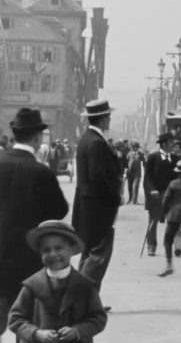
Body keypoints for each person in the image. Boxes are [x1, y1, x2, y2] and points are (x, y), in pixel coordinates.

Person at [0, 108, 69, 342]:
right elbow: (60, 210)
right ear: (37, 137)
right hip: (31, 257)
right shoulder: (41, 172)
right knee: (29, 314)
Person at [8, 220, 107, 343]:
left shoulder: (85, 286)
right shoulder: (31, 285)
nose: (53, 254)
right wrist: (36, 333)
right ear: (40, 253)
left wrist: (78, 331)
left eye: (59, 248)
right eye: (46, 250)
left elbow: (99, 318)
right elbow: (15, 319)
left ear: (71, 249)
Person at [71, 99, 122, 310]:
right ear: (102, 118)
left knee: (88, 253)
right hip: (98, 208)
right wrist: (115, 196)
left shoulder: (87, 139)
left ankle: (84, 300)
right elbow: (98, 177)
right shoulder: (97, 143)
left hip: (87, 206)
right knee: (98, 256)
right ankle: (80, 301)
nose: (109, 119)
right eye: (108, 116)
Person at [143, 132, 178, 256]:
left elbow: (178, 176)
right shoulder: (153, 157)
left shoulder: (175, 158)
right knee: (153, 221)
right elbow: (148, 177)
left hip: (171, 195)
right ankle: (151, 245)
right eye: (170, 143)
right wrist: (152, 189)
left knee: (175, 220)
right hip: (156, 195)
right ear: (164, 144)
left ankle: (177, 246)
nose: (173, 145)